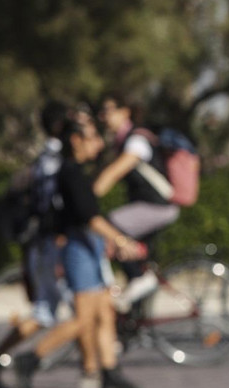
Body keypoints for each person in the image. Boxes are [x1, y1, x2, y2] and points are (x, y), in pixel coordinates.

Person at [12, 114, 141, 388]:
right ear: (76, 140)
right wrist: (120, 240)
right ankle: (31, 359)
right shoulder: (70, 173)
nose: (98, 144)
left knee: (104, 312)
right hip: (78, 249)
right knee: (83, 319)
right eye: (92, 138)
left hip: (87, 247)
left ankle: (108, 370)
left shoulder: (77, 171)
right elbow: (88, 216)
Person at [0, 101, 78, 388]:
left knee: (47, 310)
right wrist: (60, 235)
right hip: (54, 244)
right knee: (84, 311)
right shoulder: (55, 159)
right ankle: (31, 360)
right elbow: (53, 204)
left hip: (44, 243)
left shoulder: (46, 157)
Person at [94, 93, 180, 310]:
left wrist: (88, 196)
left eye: (109, 110)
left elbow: (111, 175)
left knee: (110, 225)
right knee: (126, 248)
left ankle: (140, 278)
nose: (104, 116)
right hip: (147, 207)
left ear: (125, 112)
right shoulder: (121, 141)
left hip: (158, 206)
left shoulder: (136, 141)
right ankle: (133, 320)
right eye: (101, 112)